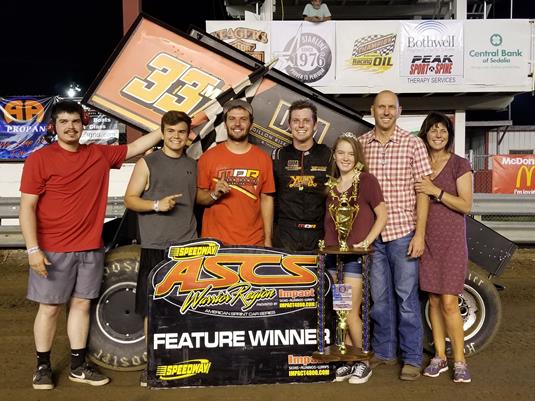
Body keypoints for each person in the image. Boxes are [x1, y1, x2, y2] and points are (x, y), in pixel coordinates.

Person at [19, 100, 164, 390]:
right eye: (64, 122)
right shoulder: (39, 159)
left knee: (82, 306)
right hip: (51, 250)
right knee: (49, 308)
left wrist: (167, 128)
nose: (70, 127)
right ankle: (43, 367)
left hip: (90, 248)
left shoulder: (98, 154)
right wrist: (33, 250)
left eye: (75, 121)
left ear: (83, 124)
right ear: (54, 126)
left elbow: (135, 149)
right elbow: (27, 208)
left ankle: (77, 366)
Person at [358, 90, 432, 381]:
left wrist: (420, 234)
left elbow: (423, 192)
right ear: (372, 110)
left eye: (391, 107)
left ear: (399, 111)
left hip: (403, 232)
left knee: (406, 299)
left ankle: (412, 358)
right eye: (381, 107)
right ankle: (385, 351)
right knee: (379, 299)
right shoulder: (362, 144)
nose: (386, 112)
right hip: (373, 236)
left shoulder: (413, 144)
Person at [123, 110, 198, 387]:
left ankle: (182, 362)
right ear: (163, 132)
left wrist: (215, 193)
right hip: (156, 247)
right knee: (152, 309)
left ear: (187, 135)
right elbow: (130, 199)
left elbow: (195, 197)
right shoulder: (148, 162)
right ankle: (152, 364)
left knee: (185, 308)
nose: (176, 136)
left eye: (181, 132)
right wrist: (156, 205)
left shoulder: (193, 164)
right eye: (171, 131)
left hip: (189, 247)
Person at [415, 112, 473, 383]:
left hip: (451, 242)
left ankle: (459, 360)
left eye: (443, 131)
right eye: (433, 130)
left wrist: (435, 191)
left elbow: (465, 205)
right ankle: (438, 356)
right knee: (434, 301)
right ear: (425, 134)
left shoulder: (460, 165)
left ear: (449, 136)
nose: (438, 135)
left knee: (449, 302)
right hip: (426, 239)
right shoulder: (420, 162)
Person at [324, 133, 387, 384]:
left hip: (354, 257)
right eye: (341, 152)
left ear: (357, 156)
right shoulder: (332, 185)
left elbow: (382, 215)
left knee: (350, 311)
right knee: (342, 310)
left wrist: (366, 241)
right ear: (335, 156)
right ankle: (351, 361)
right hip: (333, 256)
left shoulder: (367, 181)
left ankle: (363, 362)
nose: (345, 158)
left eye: (350, 153)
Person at [197, 99, 275, 246]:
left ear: (250, 123)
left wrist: (268, 239)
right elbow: (198, 198)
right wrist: (214, 193)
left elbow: (266, 200)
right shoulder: (208, 157)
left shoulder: (263, 158)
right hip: (215, 243)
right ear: (225, 123)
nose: (237, 124)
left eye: (243, 119)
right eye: (232, 119)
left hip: (253, 242)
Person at [272, 100, 331, 252]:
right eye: (296, 121)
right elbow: (269, 197)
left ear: (315, 125)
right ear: (289, 125)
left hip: (318, 233)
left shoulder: (328, 154)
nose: (301, 125)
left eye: (306, 121)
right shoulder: (278, 155)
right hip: (285, 233)